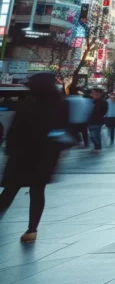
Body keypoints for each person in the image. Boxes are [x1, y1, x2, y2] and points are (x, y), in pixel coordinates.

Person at [0, 73, 68, 243]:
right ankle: (32, 230)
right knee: (37, 191)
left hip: (21, 154)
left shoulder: (27, 103)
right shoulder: (60, 105)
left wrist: (10, 150)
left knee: (10, 190)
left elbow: (15, 130)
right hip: (45, 156)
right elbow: (63, 130)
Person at [87, 88, 108, 152]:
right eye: (93, 93)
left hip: (98, 121)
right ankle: (97, 147)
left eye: (96, 93)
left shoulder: (103, 102)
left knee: (95, 134)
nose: (94, 95)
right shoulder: (90, 101)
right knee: (92, 135)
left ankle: (98, 147)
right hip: (90, 121)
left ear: (100, 94)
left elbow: (103, 112)